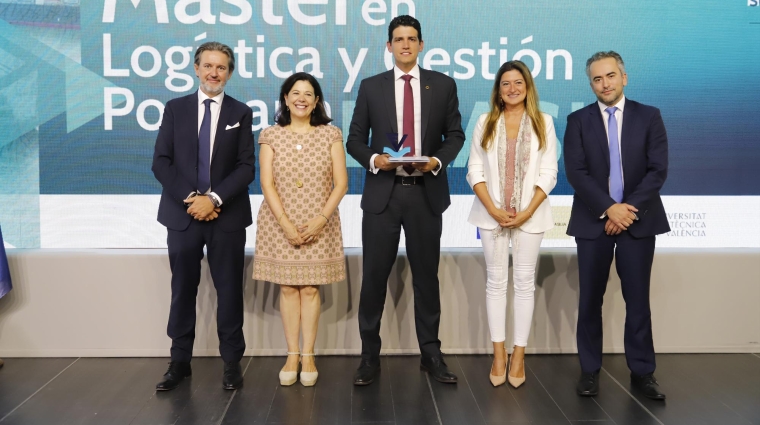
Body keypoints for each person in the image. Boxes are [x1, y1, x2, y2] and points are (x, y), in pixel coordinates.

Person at [347, 15, 465, 386]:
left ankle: (431, 354)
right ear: (389, 46)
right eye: (398, 39)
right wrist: (374, 159)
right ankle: (369, 357)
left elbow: (455, 136)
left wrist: (435, 161)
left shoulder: (442, 85)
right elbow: (354, 140)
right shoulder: (371, 87)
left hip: (425, 195)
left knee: (426, 280)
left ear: (421, 44)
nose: (405, 45)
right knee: (374, 280)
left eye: (412, 38)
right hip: (384, 194)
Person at [564, 51, 669, 400]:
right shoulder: (577, 120)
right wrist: (610, 209)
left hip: (638, 223)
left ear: (624, 78)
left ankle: (643, 373)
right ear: (591, 83)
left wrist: (627, 210)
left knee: (638, 301)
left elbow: (658, 170)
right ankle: (590, 371)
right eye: (597, 78)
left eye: (610, 76)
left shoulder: (649, 116)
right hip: (593, 223)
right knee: (590, 301)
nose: (604, 84)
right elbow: (576, 173)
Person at [151, 41, 255, 391]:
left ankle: (231, 363)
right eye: (208, 66)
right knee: (182, 289)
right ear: (196, 69)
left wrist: (212, 199)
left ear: (230, 72)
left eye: (221, 67)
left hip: (225, 216)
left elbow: (245, 168)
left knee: (229, 291)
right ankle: (179, 362)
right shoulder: (175, 108)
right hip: (182, 216)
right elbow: (161, 162)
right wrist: (192, 199)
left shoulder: (240, 112)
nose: (214, 73)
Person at [466, 60, 558, 388]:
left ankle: (519, 354)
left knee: (523, 283)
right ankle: (498, 353)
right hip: (490, 217)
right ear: (498, 90)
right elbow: (474, 169)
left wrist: (527, 211)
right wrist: (492, 208)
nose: (512, 88)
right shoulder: (485, 121)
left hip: (530, 217)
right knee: (495, 283)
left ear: (528, 86)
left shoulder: (543, 122)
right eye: (506, 83)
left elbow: (549, 173)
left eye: (518, 82)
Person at [253, 72, 348, 387]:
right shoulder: (270, 135)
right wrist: (285, 224)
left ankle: (308, 355)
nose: (302, 98)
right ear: (285, 98)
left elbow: (341, 183)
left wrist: (321, 219)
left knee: (309, 288)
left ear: (317, 101)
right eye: (295, 92)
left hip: (319, 220)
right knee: (287, 288)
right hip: (280, 222)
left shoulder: (331, 134)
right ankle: (291, 354)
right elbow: (266, 183)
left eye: (309, 94)